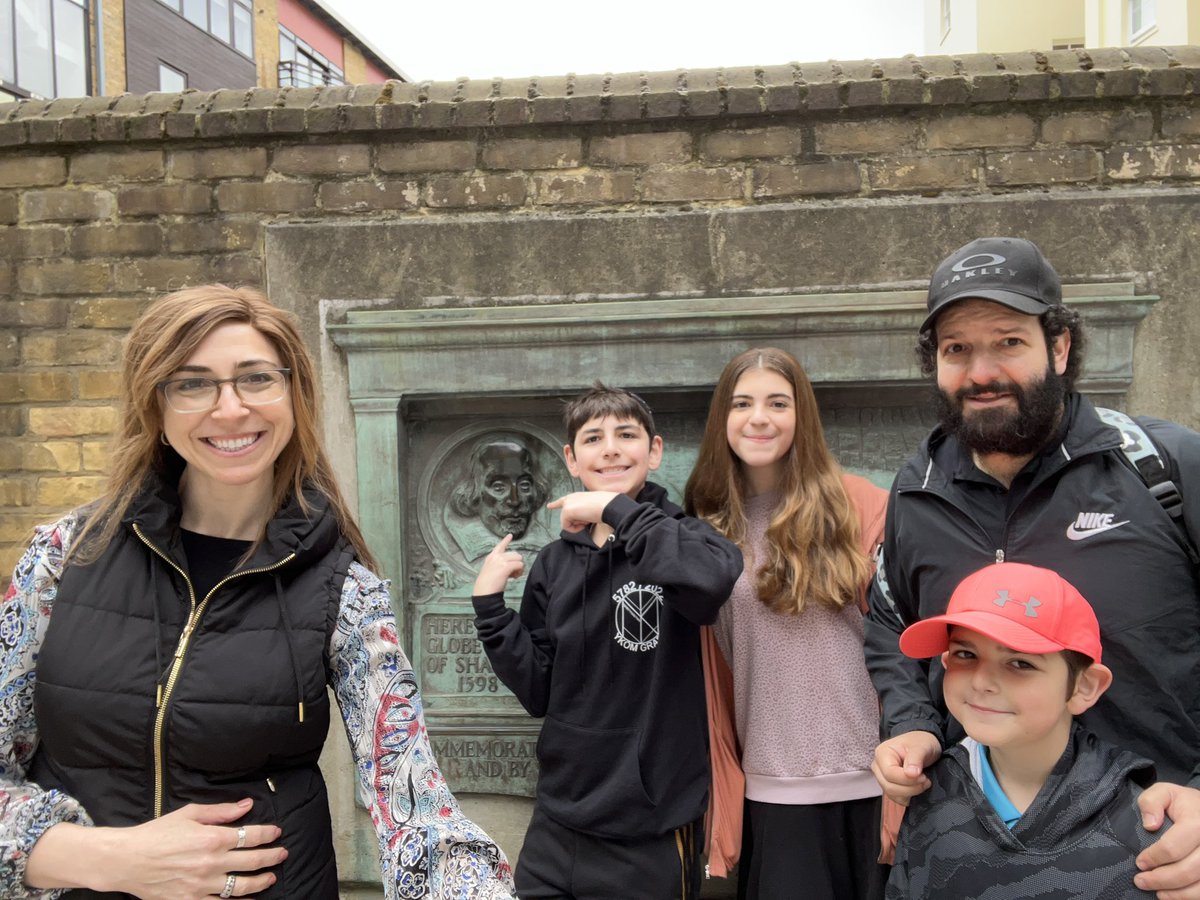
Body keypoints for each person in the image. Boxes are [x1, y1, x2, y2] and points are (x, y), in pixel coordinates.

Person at [0, 285, 515, 900]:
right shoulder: (63, 555)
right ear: (155, 408)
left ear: (293, 396)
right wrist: (104, 858)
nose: (230, 408)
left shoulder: (344, 591)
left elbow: (414, 804)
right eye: (193, 384)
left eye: (256, 378)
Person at [864, 236, 1200, 897]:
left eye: (1009, 342)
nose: (980, 371)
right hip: (981, 851)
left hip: (1163, 852)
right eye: (956, 349)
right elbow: (889, 621)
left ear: (1061, 347)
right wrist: (913, 725)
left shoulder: (1164, 468)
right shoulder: (917, 493)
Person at [470, 382, 744, 899]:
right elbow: (538, 691)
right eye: (594, 438)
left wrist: (616, 510)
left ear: (654, 450)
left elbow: (713, 580)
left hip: (649, 830)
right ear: (572, 460)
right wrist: (490, 610)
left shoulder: (687, 539)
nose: (611, 447)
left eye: (627, 434)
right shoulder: (553, 563)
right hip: (557, 824)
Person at [684, 347, 890, 900]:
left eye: (778, 402)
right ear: (721, 419)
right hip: (772, 794)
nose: (759, 417)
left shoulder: (861, 505)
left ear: (802, 417)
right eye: (742, 403)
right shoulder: (706, 529)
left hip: (878, 785)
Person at [888, 561, 1161, 899]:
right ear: (945, 662)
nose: (981, 681)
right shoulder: (930, 792)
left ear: (1084, 686)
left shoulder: (1143, 825)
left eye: (1020, 663)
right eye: (965, 654)